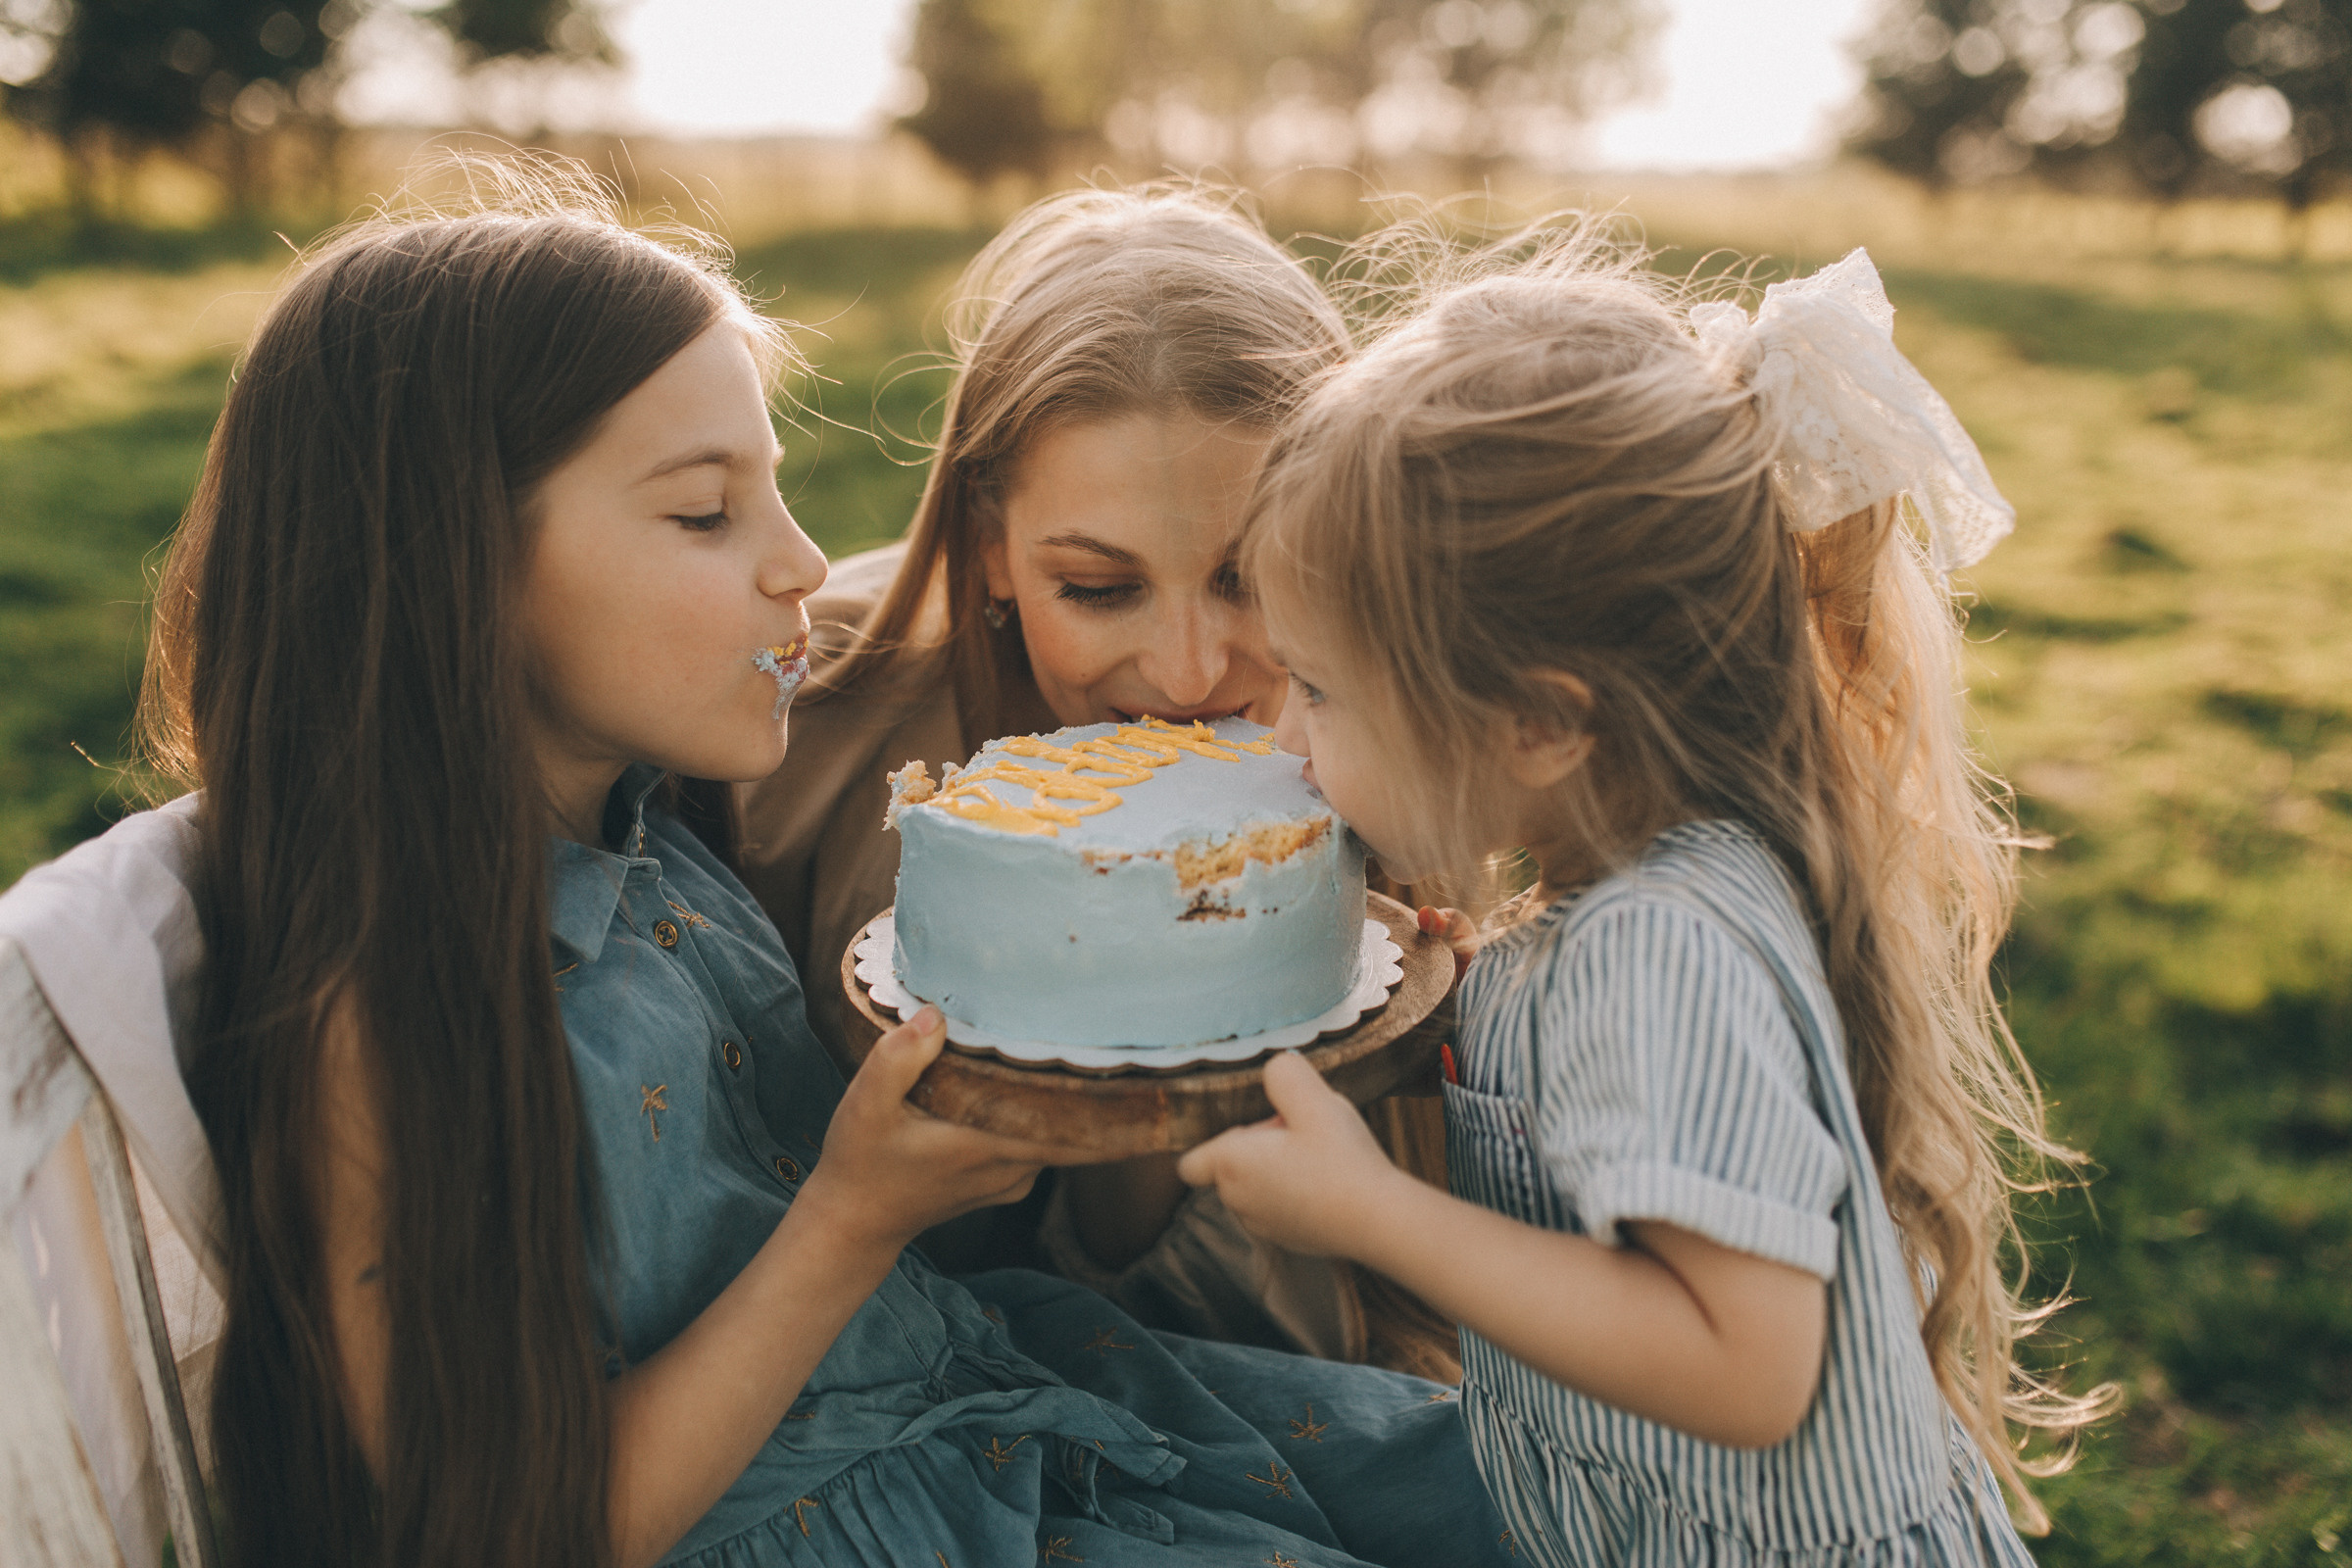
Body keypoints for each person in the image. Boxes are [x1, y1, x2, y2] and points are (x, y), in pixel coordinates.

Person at [137, 171, 1511, 1567]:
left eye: (776, 497)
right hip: (878, 1509)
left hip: (999, 1403)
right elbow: (488, 1533)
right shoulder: (387, 1009)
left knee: (1552, 1485)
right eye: (706, 514)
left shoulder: (655, 852)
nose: (806, 564)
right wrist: (858, 1212)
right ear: (447, 565)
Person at [1176, 225, 2115, 1565]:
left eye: (1320, 691)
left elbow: (1747, 1367)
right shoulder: (1640, 897)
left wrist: (1370, 1212)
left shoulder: (1654, 951)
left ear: (1540, 727)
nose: (1286, 739)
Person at [736, 185, 1452, 1375]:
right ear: (993, 545)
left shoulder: (1384, 757)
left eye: (1253, 576)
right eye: (1099, 587)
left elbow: (1332, 1333)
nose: (1186, 672)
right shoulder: (804, 727)